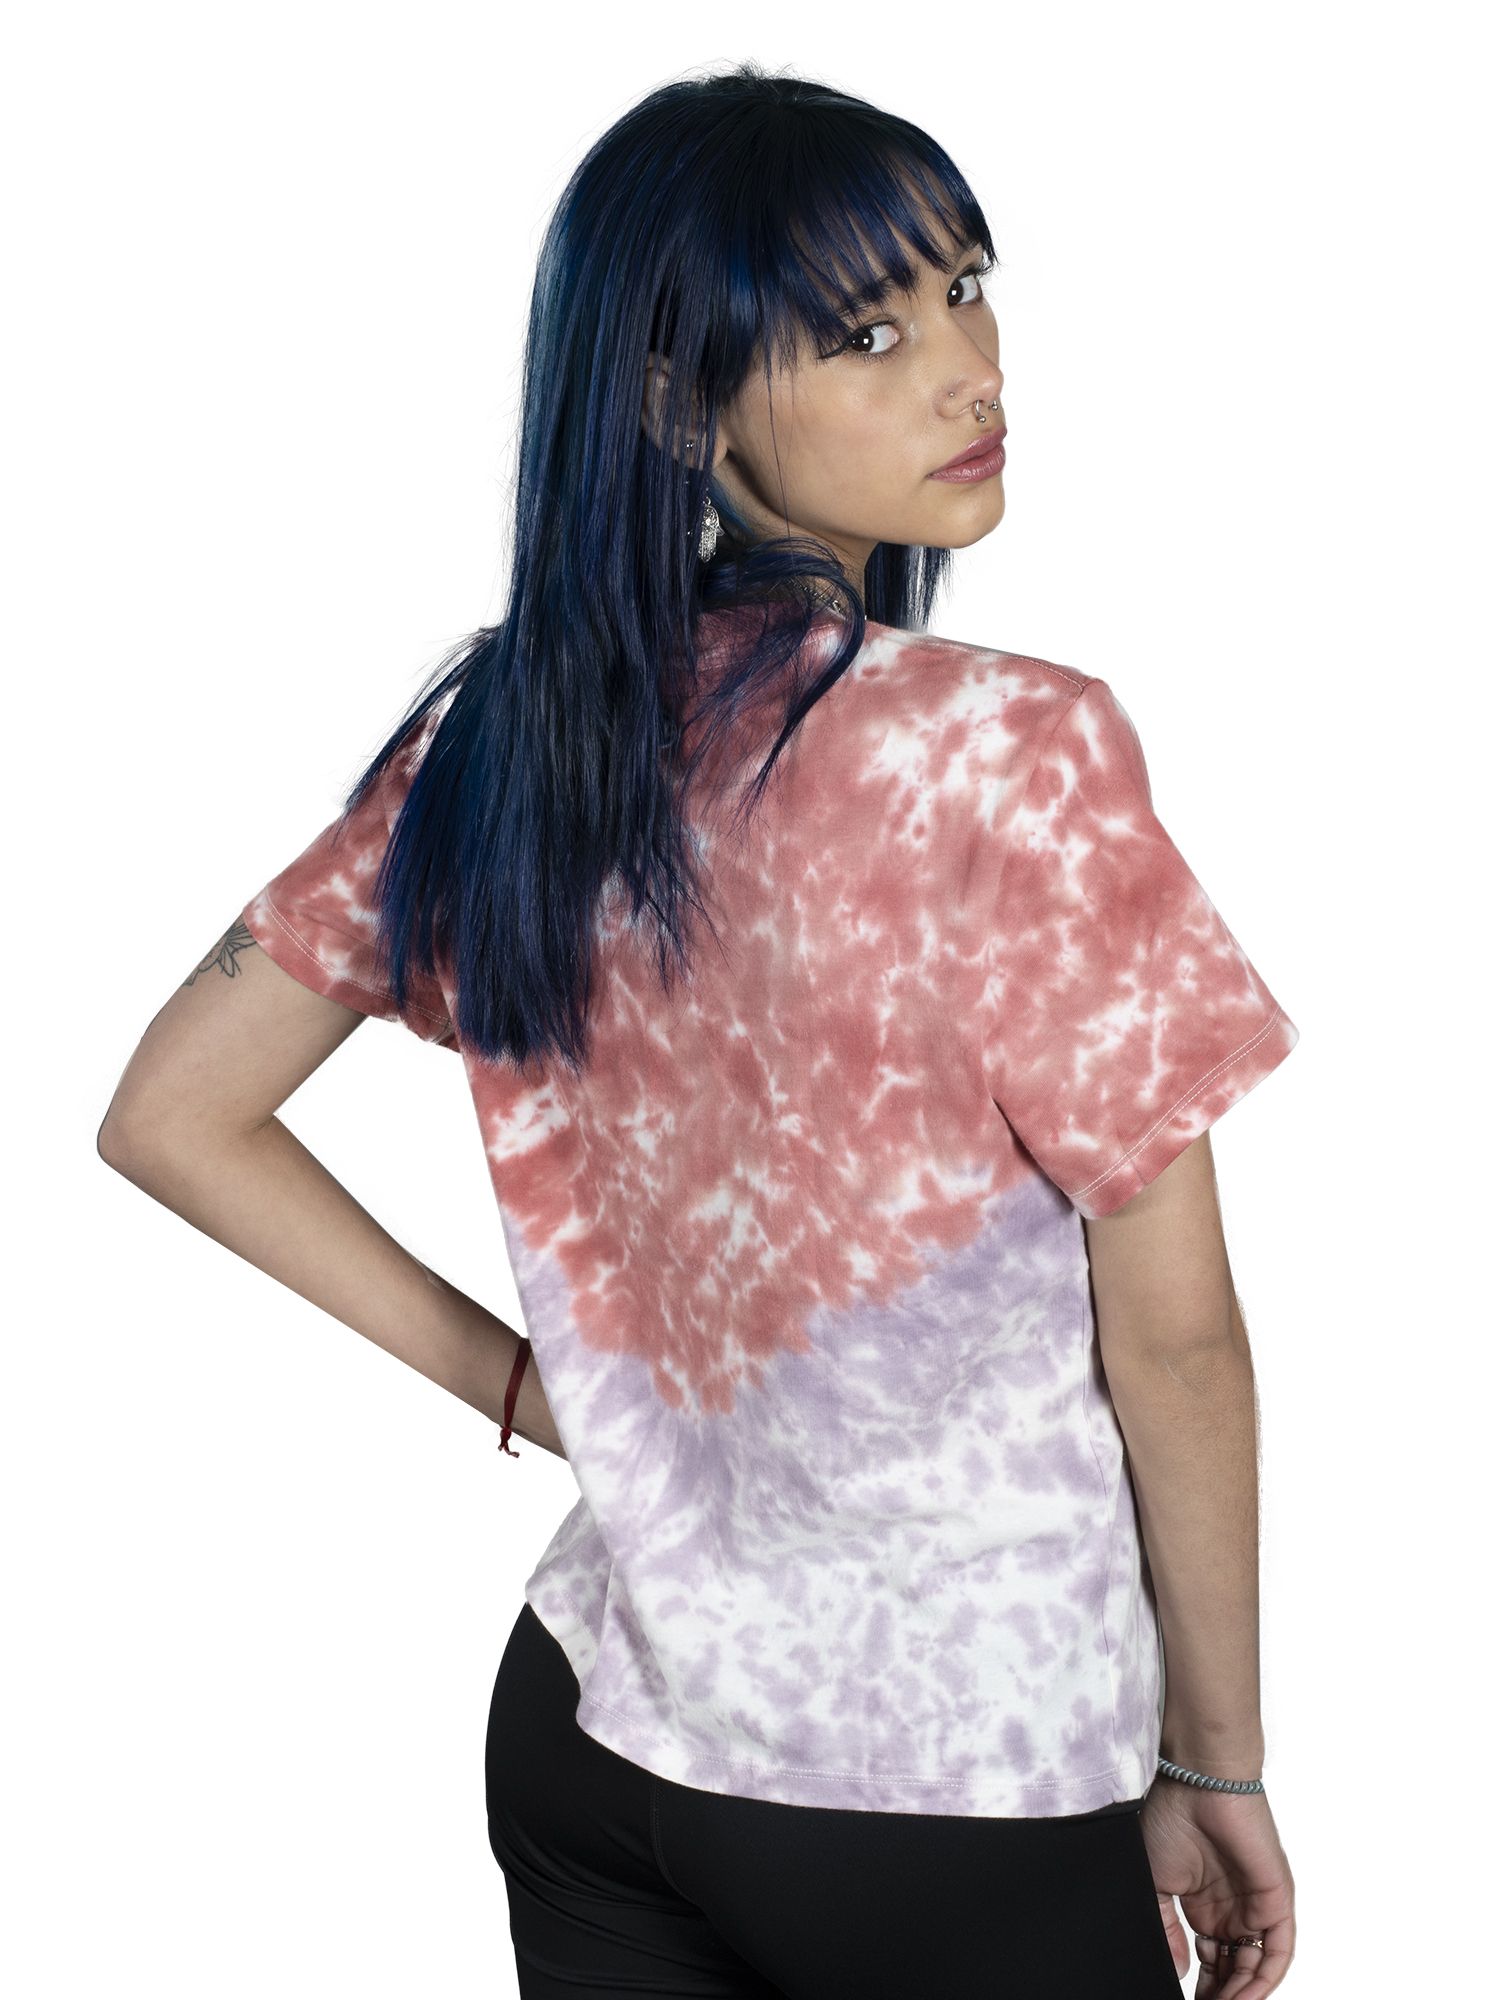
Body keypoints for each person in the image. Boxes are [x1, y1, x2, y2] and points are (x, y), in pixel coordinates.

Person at [98, 61, 1299, 2000]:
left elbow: (173, 1110)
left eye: (966, 288)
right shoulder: (1018, 751)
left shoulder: (505, 738)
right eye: (867, 333)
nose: (967, 370)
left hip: (601, 1729)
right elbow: (1176, 1340)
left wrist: (531, 1389)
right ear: (675, 404)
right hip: (950, 1780)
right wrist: (1215, 1758)